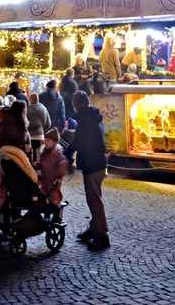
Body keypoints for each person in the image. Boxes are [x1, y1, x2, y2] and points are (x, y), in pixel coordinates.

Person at [69, 91, 109, 250]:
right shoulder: (93, 117)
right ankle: (94, 228)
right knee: (94, 198)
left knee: (94, 200)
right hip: (98, 161)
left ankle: (102, 234)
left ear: (76, 104)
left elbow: (80, 142)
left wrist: (68, 152)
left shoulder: (85, 120)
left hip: (92, 163)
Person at [37, 128, 68, 206]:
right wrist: (38, 164)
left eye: (48, 140)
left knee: (52, 202)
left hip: (52, 187)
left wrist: (59, 170)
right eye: (45, 140)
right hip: (44, 185)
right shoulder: (45, 152)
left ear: (54, 142)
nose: (46, 142)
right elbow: (41, 162)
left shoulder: (57, 154)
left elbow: (63, 164)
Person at [26, 93, 51, 162]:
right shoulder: (43, 108)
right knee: (40, 154)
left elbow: (26, 123)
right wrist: (43, 130)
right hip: (40, 135)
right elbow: (48, 123)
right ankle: (40, 169)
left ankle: (32, 170)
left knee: (31, 155)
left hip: (30, 136)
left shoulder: (28, 110)